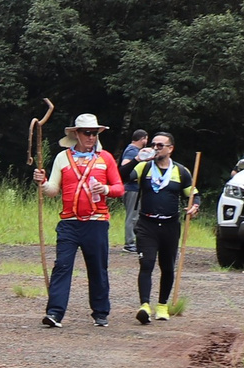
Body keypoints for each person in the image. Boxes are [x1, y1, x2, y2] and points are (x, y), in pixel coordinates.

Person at [40, 113, 124, 328]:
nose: (91, 137)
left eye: (94, 133)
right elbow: (52, 191)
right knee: (62, 266)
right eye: (87, 133)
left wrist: (104, 188)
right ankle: (54, 313)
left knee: (97, 267)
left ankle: (101, 312)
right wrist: (42, 183)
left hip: (96, 221)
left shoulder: (105, 158)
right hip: (69, 222)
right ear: (76, 134)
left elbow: (119, 188)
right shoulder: (62, 157)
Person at [128, 131, 196, 325]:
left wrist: (195, 206)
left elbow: (193, 193)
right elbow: (122, 175)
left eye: (160, 145)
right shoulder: (144, 167)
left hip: (170, 225)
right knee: (147, 263)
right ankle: (144, 306)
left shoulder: (181, 171)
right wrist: (137, 159)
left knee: (167, 266)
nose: (155, 148)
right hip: (147, 224)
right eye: (154, 144)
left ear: (170, 149)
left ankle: (162, 305)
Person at [118, 128, 153, 252]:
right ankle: (129, 243)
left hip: (136, 188)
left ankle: (134, 241)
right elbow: (125, 164)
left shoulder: (134, 150)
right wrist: (134, 176)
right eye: (146, 139)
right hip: (132, 188)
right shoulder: (132, 150)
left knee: (136, 216)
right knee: (132, 216)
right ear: (142, 139)